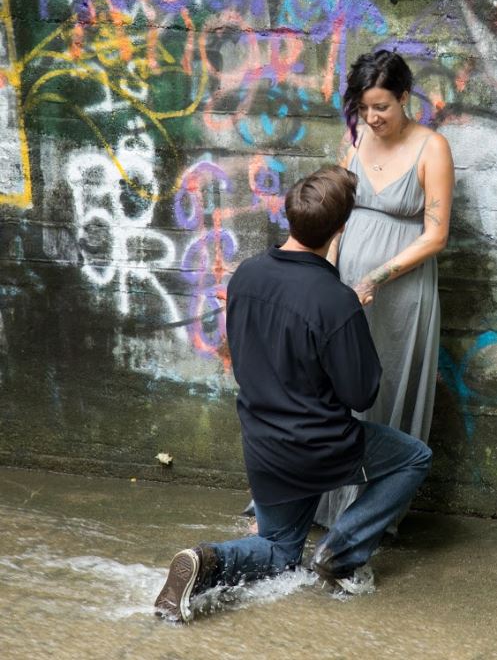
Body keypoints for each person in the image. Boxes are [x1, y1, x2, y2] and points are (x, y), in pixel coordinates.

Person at [154, 166, 433, 623]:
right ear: (342, 227)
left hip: (263, 445)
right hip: (321, 447)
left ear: (289, 218)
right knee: (414, 457)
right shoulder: (336, 301)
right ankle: (339, 555)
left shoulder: (245, 276)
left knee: (279, 551)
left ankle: (205, 561)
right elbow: (360, 393)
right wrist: (351, 321)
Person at [314, 49, 454, 529]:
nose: (372, 118)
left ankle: (365, 516)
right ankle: (324, 502)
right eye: (364, 107)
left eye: (382, 108)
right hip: (346, 287)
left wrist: (372, 279)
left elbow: (435, 235)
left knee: (384, 388)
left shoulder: (431, 147)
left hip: (401, 293)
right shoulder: (353, 138)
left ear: (404, 98)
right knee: (338, 387)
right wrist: (327, 279)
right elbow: (336, 216)